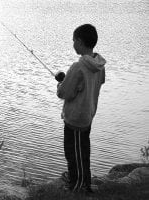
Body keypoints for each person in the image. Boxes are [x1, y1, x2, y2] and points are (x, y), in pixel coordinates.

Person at [55, 24, 106, 193]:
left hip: (75, 119)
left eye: (73, 40)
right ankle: (84, 181)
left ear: (79, 41)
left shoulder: (78, 67)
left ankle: (77, 187)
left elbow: (64, 93)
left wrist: (62, 83)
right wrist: (71, 81)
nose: (72, 44)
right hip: (88, 115)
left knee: (73, 154)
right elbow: (94, 83)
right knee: (83, 152)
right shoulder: (99, 64)